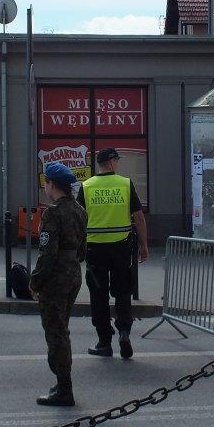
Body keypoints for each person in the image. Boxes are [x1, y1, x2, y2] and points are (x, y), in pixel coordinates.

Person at [77, 147, 149, 360]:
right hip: (121, 247)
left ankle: (104, 342)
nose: (118, 163)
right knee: (123, 291)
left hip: (95, 248)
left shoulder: (86, 186)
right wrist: (144, 244)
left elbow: (79, 220)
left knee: (98, 295)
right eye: (117, 160)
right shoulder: (125, 184)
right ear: (111, 162)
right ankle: (124, 331)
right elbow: (138, 217)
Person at [30, 162, 87, 406]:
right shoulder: (79, 210)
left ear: (51, 184)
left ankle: (64, 389)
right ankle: (62, 384)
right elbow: (82, 249)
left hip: (56, 279)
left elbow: (47, 254)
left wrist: (35, 281)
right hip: (73, 274)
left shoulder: (52, 213)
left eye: (46, 183)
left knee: (56, 333)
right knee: (62, 328)